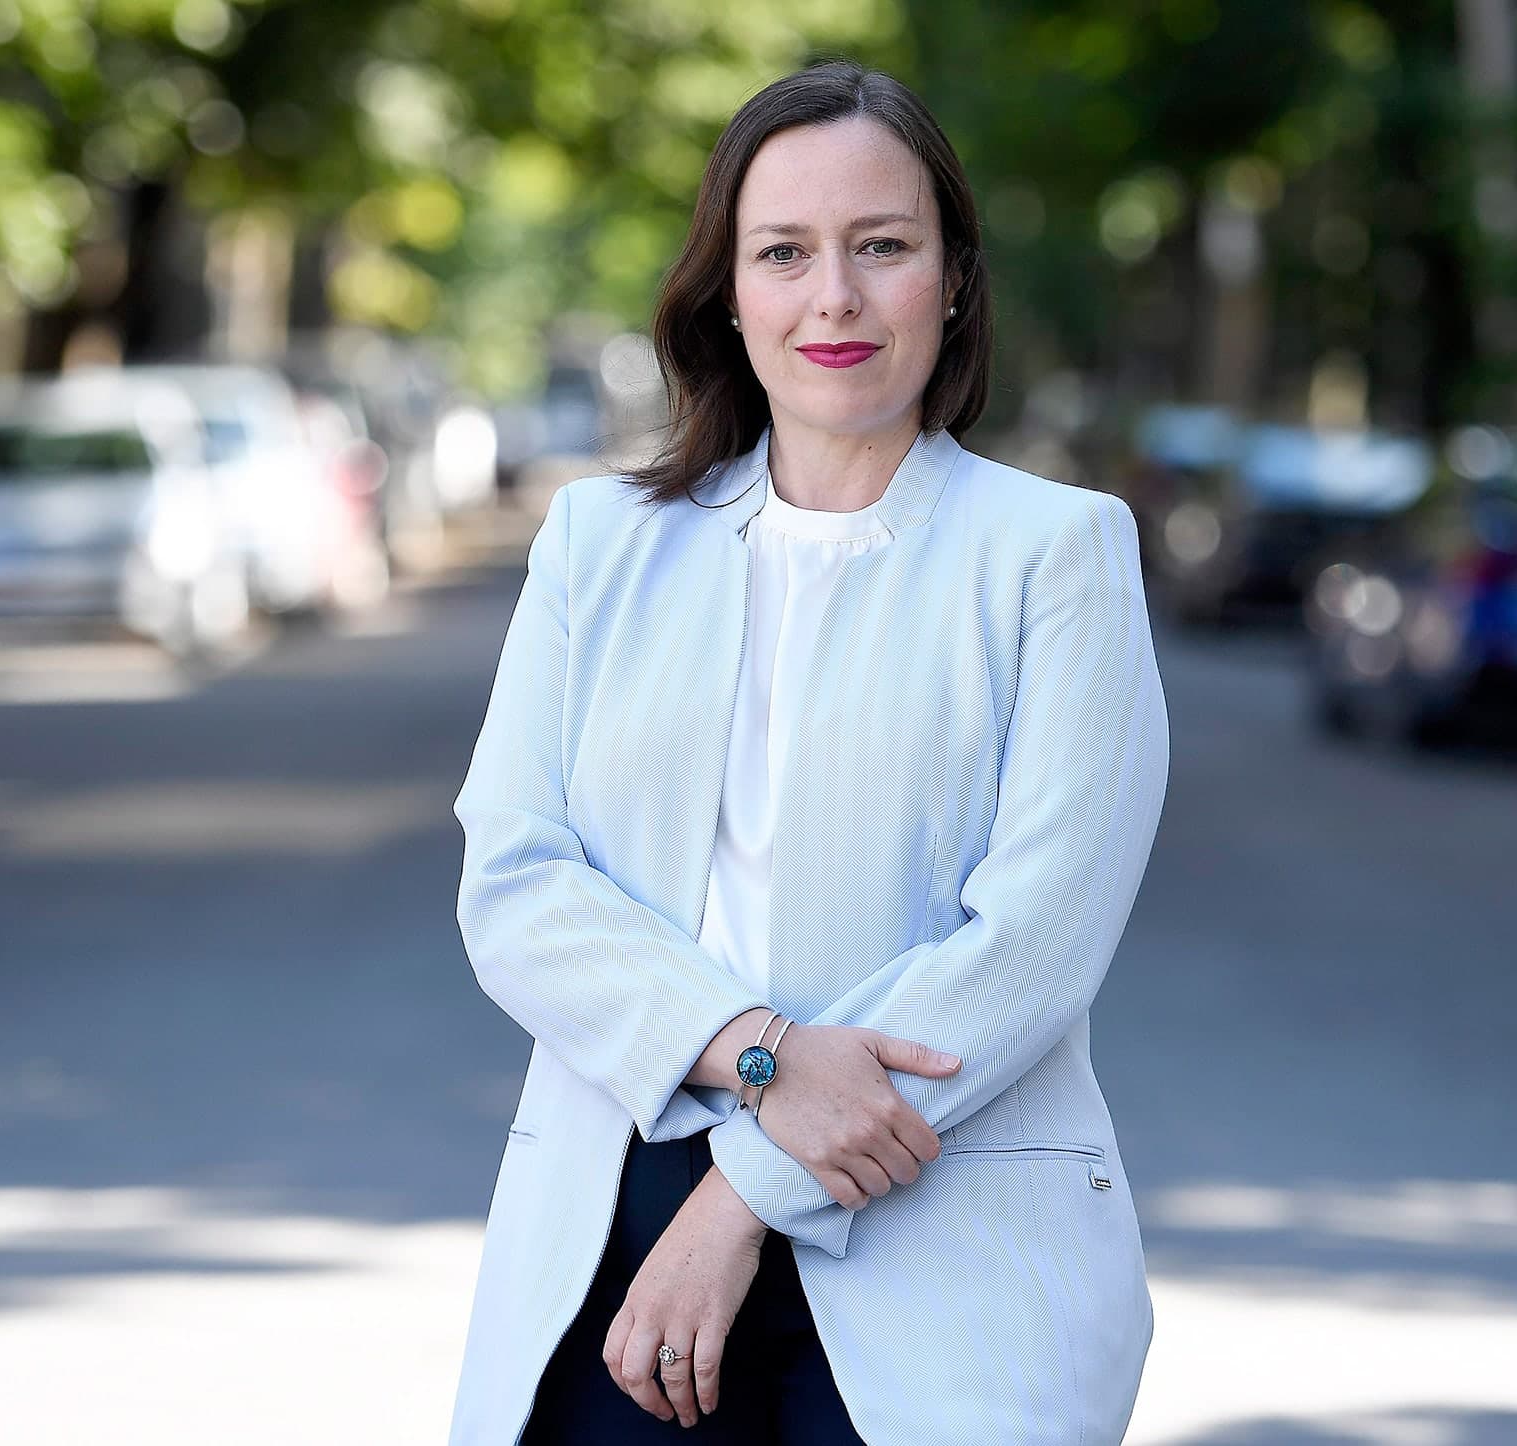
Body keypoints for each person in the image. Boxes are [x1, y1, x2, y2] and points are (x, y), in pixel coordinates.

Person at [449, 58, 1169, 1445]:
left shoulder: (1057, 554)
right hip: (618, 1211)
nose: (832, 297)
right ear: (729, 288)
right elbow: (517, 882)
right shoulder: (599, 545)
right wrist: (761, 1053)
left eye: (882, 247)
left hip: (941, 1214)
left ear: (952, 278)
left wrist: (745, 1184)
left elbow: (1030, 947)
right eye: (784, 252)